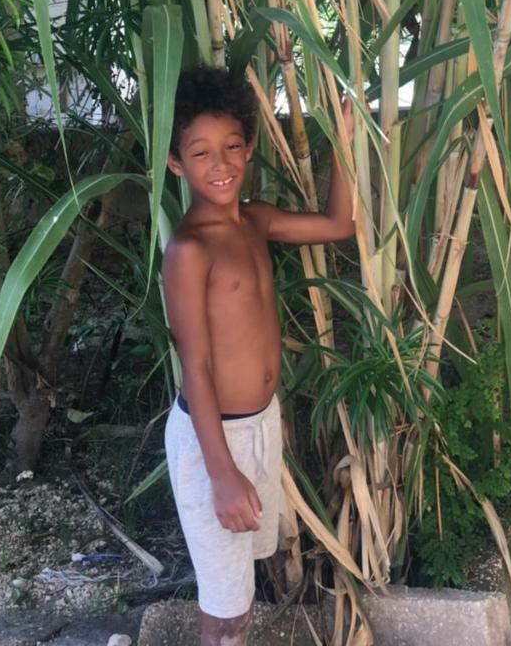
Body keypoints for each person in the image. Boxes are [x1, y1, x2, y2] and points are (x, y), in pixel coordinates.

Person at [162, 65, 357, 646]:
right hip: (212, 439)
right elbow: (194, 366)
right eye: (200, 153)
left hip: (257, 425)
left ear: (248, 147)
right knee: (225, 609)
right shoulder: (188, 250)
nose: (219, 165)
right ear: (177, 164)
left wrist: (344, 139)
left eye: (230, 147)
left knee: (240, 581)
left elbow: (338, 225)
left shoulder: (255, 221)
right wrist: (222, 475)